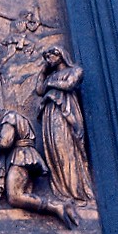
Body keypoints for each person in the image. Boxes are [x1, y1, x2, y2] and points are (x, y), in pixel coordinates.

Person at [0, 106, 79, 229]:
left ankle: (56, 206)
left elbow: (5, 142)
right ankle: (57, 207)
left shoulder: (9, 117)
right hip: (24, 156)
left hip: (21, 157)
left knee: (14, 197)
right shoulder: (18, 117)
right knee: (23, 197)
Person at [35, 46, 94, 203]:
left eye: (51, 55)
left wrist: (51, 83)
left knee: (67, 147)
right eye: (46, 57)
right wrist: (43, 73)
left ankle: (76, 190)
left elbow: (69, 84)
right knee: (55, 149)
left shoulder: (75, 70)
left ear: (60, 54)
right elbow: (39, 90)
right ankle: (63, 188)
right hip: (50, 113)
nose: (48, 59)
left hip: (65, 112)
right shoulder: (51, 77)